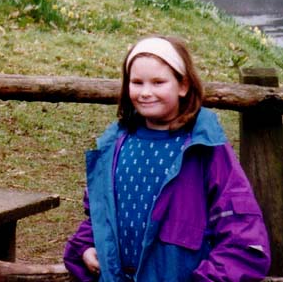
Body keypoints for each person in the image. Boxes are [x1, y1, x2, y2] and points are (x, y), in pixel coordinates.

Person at [63, 36, 271, 281]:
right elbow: (100, 216)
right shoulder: (115, 147)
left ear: (183, 86)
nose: (146, 92)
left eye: (158, 82)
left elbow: (242, 236)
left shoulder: (206, 150)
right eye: (137, 82)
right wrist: (87, 247)